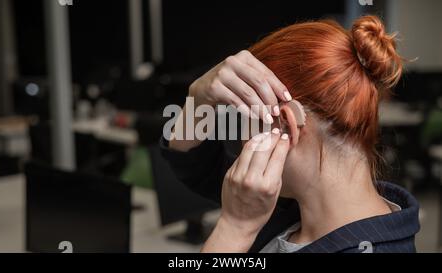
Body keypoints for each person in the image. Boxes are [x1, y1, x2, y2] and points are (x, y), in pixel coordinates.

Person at [160, 15, 420, 253]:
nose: (241, 140)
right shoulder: (290, 205)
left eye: (243, 119)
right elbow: (194, 163)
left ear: (286, 125)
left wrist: (235, 229)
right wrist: (198, 97)